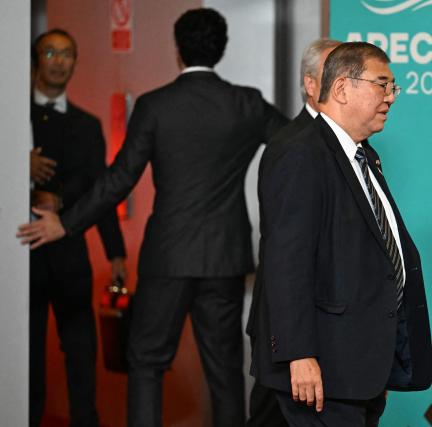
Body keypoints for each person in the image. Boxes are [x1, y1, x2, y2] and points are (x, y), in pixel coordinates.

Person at [18, 8, 288, 427]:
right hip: (224, 259)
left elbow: (118, 180)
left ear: (178, 50)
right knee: (226, 373)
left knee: (146, 364)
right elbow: (295, 146)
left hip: (167, 257)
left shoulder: (155, 106)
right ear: (221, 50)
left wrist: (66, 222)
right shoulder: (247, 103)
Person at [250, 41, 432, 426]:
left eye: (393, 87)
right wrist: (298, 355)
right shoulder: (302, 152)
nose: (390, 97)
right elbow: (287, 261)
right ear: (341, 89)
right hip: (323, 368)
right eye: (381, 85)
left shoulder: (362, 154)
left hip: (356, 368)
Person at [28, 29, 127, 427]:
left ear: (75, 62)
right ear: (36, 60)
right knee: (26, 351)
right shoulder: (11, 118)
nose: (58, 60)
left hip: (69, 255)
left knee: (81, 351)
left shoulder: (87, 125)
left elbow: (99, 192)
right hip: (19, 255)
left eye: (66, 53)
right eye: (49, 51)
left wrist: (115, 253)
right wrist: (18, 167)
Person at [246, 37, 341, 427]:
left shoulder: (343, 143)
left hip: (319, 328)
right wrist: (296, 348)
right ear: (310, 84)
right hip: (290, 332)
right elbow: (286, 254)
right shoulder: (296, 146)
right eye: (334, 76)